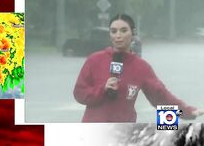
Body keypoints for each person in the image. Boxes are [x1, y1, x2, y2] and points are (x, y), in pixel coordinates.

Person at [73, 14, 204, 122]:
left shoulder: (141, 67)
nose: (118, 35)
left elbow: (161, 98)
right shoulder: (94, 60)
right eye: (114, 31)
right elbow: (79, 94)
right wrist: (102, 90)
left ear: (133, 33)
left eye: (123, 30)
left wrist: (187, 111)